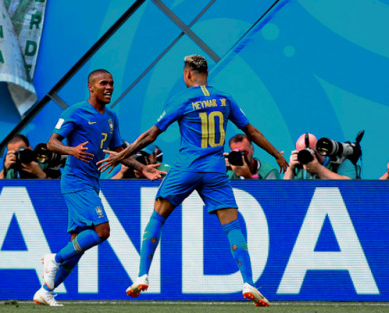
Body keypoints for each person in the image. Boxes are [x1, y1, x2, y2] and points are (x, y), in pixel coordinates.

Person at [97, 55, 288, 307]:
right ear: (206, 73)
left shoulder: (183, 98)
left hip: (186, 168)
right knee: (232, 226)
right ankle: (248, 281)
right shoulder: (225, 98)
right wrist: (276, 154)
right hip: (215, 171)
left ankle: (142, 275)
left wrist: (123, 154)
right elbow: (251, 131)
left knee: (158, 216)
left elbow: (152, 134)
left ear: (187, 74)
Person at [32, 69, 165, 306]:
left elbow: (116, 153)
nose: (109, 87)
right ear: (90, 87)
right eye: (104, 83)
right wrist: (71, 150)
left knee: (77, 245)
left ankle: (45, 291)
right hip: (75, 180)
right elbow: (51, 143)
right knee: (102, 231)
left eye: (112, 83)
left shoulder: (111, 117)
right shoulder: (75, 111)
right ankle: (53, 259)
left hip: (92, 183)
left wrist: (142, 168)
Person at [283, 133, 358, 180]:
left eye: (312, 151)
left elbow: (349, 186)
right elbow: (283, 192)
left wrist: (319, 169)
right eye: (302, 153)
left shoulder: (339, 161)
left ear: (319, 148)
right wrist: (290, 168)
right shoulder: (298, 165)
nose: (307, 156)